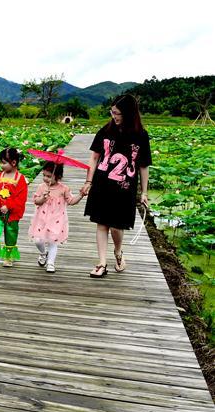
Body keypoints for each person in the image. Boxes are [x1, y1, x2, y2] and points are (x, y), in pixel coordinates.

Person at [80, 95, 151, 278]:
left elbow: (143, 165)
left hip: (124, 188)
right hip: (102, 185)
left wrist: (144, 192)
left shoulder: (141, 135)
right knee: (101, 224)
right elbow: (94, 157)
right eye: (112, 112)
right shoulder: (105, 130)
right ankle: (102, 263)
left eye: (117, 113)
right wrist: (88, 181)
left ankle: (118, 252)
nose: (114, 116)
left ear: (128, 113)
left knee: (116, 227)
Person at [29, 161, 85, 273]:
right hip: (42, 219)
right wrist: (43, 198)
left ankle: (50, 262)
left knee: (52, 241)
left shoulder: (64, 188)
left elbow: (71, 201)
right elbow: (36, 201)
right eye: (44, 175)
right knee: (38, 241)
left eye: (49, 176)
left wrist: (81, 195)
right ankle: (43, 253)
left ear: (58, 176)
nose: (45, 178)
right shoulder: (41, 187)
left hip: (56, 219)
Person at [0, 148, 29, 269]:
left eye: (3, 162)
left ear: (13, 163)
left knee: (11, 234)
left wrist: (9, 206)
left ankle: (8, 257)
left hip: (12, 214)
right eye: (0, 162)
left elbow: (21, 199)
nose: (1, 165)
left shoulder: (20, 179)